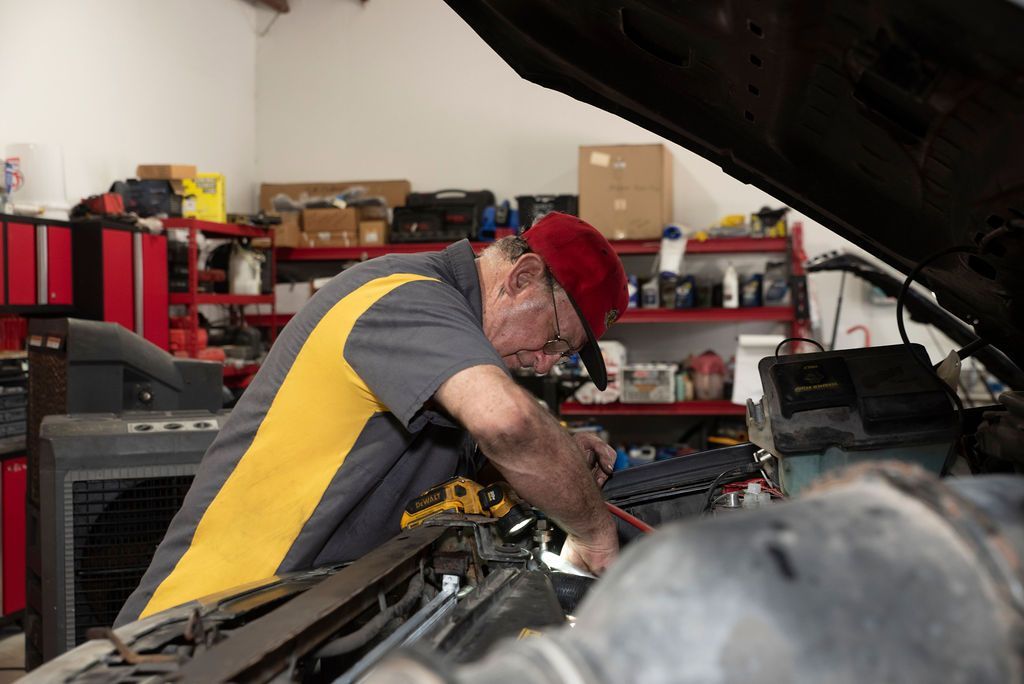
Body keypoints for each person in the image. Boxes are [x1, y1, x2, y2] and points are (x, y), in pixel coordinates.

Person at [115, 211, 628, 626]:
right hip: (204, 626)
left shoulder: (454, 339)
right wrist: (595, 536)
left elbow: (456, 464)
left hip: (300, 619)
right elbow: (509, 426)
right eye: (556, 341)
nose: (543, 363)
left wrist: (556, 458)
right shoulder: (403, 298)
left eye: (560, 357)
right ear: (523, 277)